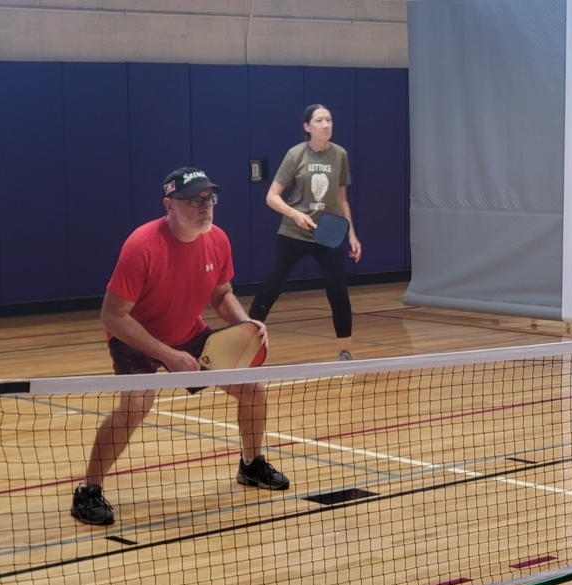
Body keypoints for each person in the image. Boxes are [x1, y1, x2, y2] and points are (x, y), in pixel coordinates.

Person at [71, 166, 289, 526]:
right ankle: (88, 490)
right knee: (137, 404)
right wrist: (168, 355)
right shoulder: (141, 245)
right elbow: (113, 316)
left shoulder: (217, 240)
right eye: (193, 200)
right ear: (169, 205)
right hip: (135, 334)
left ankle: (251, 465)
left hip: (187, 330)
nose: (204, 207)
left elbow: (222, 294)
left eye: (208, 199)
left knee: (253, 389)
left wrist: (245, 325)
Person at [248, 103, 362, 361]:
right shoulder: (295, 155)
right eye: (319, 120)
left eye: (329, 120)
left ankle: (345, 350)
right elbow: (272, 197)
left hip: (328, 235)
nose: (325, 125)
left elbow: (342, 199)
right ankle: (245, 341)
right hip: (294, 232)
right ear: (307, 127)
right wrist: (295, 214)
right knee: (273, 285)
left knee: (337, 290)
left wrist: (351, 234)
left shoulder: (340, 155)